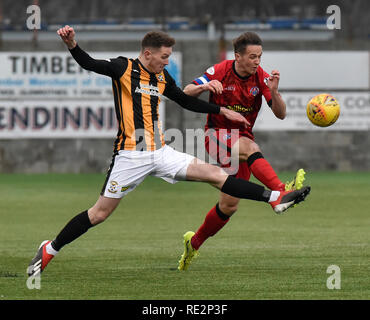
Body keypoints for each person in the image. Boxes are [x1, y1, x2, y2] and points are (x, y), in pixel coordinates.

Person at [27, 26, 310, 277]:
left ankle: (275, 197)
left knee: (216, 175)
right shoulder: (123, 68)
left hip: (161, 152)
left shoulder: (162, 77)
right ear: (147, 53)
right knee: (99, 213)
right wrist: (72, 45)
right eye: (164, 56)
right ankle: (50, 248)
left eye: (169, 56)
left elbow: (185, 101)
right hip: (130, 155)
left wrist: (220, 109)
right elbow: (90, 63)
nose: (168, 60)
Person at [178, 31, 307, 271]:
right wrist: (205, 85)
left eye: (259, 56)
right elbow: (184, 92)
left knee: (229, 205)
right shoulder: (220, 70)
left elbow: (281, 114)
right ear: (238, 56)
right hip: (215, 137)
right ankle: (281, 192)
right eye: (252, 56)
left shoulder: (262, 78)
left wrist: (275, 92)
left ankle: (192, 244)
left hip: (241, 143)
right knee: (250, 148)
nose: (257, 61)